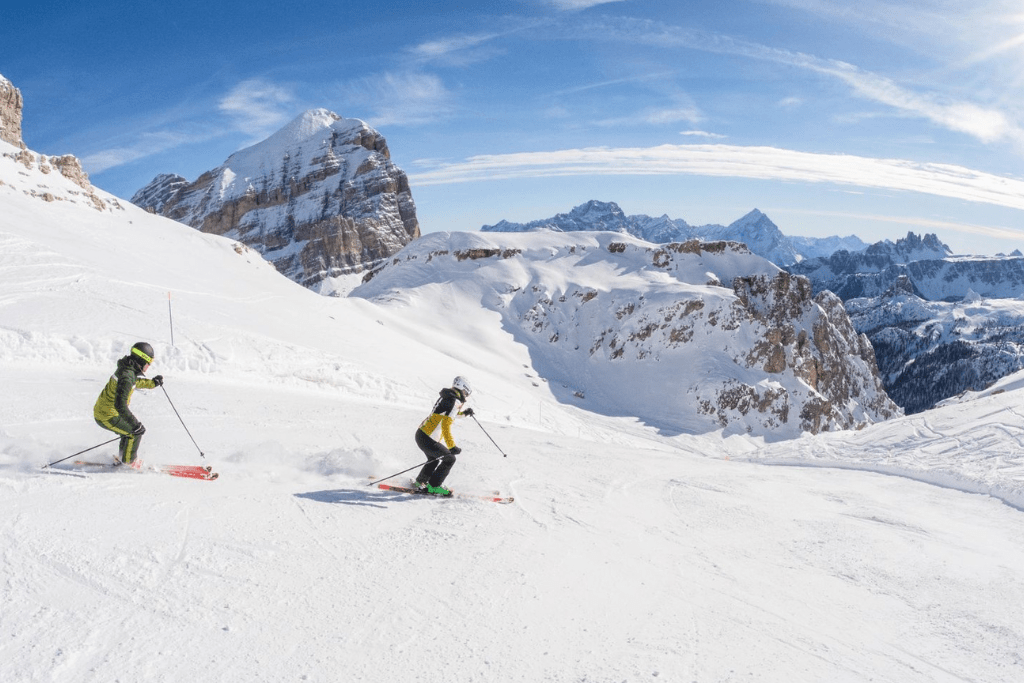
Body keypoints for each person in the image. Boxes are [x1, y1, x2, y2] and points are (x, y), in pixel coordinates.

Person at [93, 342, 163, 469]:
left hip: (104, 411)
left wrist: (153, 383)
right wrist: (135, 424)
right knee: (134, 432)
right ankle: (129, 462)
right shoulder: (127, 376)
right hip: (107, 415)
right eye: (149, 363)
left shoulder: (128, 369)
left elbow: (135, 382)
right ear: (142, 360)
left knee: (129, 431)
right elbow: (120, 405)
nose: (148, 366)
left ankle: (123, 458)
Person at [413, 376, 475, 496]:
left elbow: (449, 414)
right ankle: (433, 487)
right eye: (467, 393)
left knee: (433, 459)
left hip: (422, 434)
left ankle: (420, 482)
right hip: (427, 438)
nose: (466, 396)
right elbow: (446, 426)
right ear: (463, 389)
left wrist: (465, 413)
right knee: (450, 459)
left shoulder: (448, 397)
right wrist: (452, 447)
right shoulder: (453, 401)